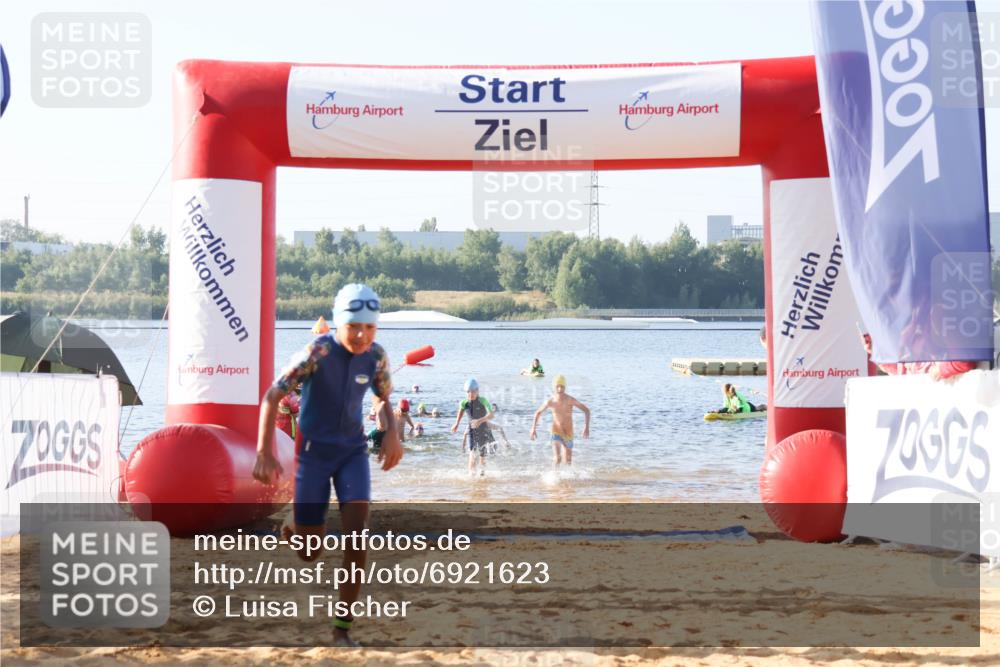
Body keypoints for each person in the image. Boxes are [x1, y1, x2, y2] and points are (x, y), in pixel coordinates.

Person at [253, 283, 402, 647]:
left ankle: (342, 629)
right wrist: (264, 450)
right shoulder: (316, 353)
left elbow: (384, 399)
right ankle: (294, 525)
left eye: (369, 327)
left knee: (357, 537)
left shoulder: (377, 357)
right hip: (315, 453)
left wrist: (393, 433)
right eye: (354, 326)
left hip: (352, 452)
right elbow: (273, 395)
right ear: (338, 323)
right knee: (309, 551)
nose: (362, 334)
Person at [530, 375, 590, 466]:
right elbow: (537, 413)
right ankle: (554, 477)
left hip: (568, 432)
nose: (559, 389)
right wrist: (533, 429)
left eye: (562, 387)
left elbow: (586, 411)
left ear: (565, 387)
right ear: (554, 387)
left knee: (568, 461)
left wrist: (586, 427)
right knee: (558, 458)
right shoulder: (550, 401)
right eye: (557, 387)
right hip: (556, 431)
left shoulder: (570, 400)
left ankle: (567, 479)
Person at [450, 378, 496, 475]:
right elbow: (461, 412)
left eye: (473, 392)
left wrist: (480, 420)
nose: (470, 394)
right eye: (468, 392)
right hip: (472, 430)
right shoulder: (464, 403)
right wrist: (456, 424)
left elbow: (491, 415)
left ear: (477, 391)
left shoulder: (483, 400)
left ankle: (482, 475)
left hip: (484, 430)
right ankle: (471, 475)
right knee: (472, 452)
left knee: (483, 455)